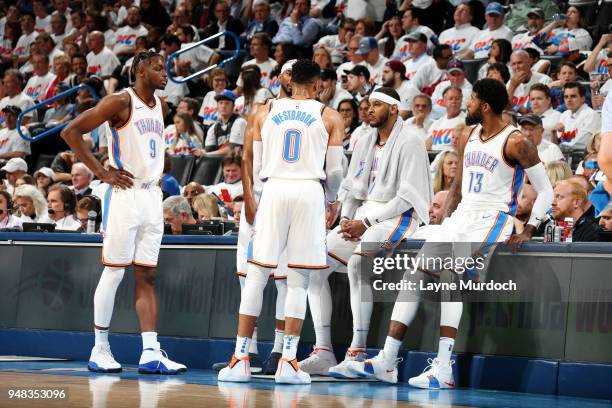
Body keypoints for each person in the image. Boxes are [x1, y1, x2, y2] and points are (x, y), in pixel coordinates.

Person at [346, 78, 554, 385]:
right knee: (414, 273)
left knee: (450, 279)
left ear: (484, 106)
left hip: (491, 218)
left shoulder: (516, 142)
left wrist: (531, 227)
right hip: (460, 217)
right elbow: (456, 187)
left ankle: (444, 368)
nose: (467, 105)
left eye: (471, 100)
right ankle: (387, 360)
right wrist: (443, 219)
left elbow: (546, 190)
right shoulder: (468, 133)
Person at [218, 59, 344, 384]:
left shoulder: (262, 112)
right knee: (298, 279)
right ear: (317, 85)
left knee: (257, 274)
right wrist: (331, 201)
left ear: (290, 81)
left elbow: (255, 163)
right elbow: (335, 172)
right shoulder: (329, 116)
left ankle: (240, 358)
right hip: (308, 192)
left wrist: (259, 198)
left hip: (273, 188)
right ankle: (288, 361)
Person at [61, 50, 186, 374]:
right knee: (115, 271)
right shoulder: (120, 101)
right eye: (158, 68)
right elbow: (71, 132)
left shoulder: (162, 105)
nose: (165, 73)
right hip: (124, 195)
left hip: (151, 196)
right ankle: (99, 348)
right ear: (140, 70)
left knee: (147, 274)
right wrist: (101, 172)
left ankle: (150, 352)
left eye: (165, 67)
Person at [299, 87, 432, 378]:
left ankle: (357, 350)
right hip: (363, 215)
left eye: (376, 105)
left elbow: (407, 197)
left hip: (397, 216)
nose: (368, 109)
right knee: (313, 265)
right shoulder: (364, 139)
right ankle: (323, 352)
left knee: (359, 262)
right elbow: (351, 189)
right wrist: (347, 218)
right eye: (367, 105)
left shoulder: (410, 140)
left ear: (394, 109)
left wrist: (366, 223)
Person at [212, 59, 296, 377]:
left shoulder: (315, 112)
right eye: (284, 73)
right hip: (258, 202)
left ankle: (278, 350)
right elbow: (246, 156)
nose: (288, 79)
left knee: (285, 280)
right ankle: (248, 352)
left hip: (285, 203)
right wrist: (247, 197)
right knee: (248, 279)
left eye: (293, 74)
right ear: (278, 78)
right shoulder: (261, 110)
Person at [197, 90, 247, 157]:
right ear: (217, 106)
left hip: (239, 162)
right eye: (221, 103)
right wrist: (201, 152)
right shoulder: (214, 127)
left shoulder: (239, 122)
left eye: (227, 103)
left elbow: (233, 149)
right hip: (222, 163)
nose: (223, 106)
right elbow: (209, 150)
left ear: (233, 106)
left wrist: (206, 154)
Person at [555, 82, 601, 149]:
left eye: (573, 96)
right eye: (566, 97)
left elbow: (582, 143)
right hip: (566, 153)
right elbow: (560, 139)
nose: (569, 100)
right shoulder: (564, 114)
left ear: (583, 98)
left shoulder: (591, 115)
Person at [426, 87, 465, 151]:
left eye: (457, 99)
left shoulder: (467, 121)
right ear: (444, 101)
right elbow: (428, 144)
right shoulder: (436, 123)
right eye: (451, 98)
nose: (454, 101)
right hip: (434, 157)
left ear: (461, 100)